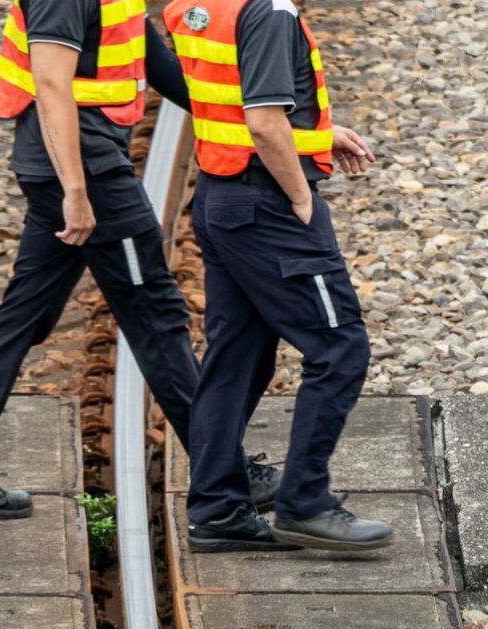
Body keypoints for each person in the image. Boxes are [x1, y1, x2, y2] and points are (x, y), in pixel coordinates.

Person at [0, 0, 278, 518]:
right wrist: (76, 191)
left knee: (22, 318)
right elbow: (51, 85)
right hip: (83, 173)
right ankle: (225, 471)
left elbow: (167, 72)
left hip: (71, 169)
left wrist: (266, 118)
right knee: (155, 316)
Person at [163, 0, 392, 552]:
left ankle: (217, 508)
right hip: (266, 203)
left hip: (221, 197)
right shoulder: (269, 13)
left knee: (236, 356)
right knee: (340, 346)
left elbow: (229, 99)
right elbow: (264, 123)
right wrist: (300, 197)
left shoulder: (196, 5)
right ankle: (305, 502)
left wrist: (317, 132)